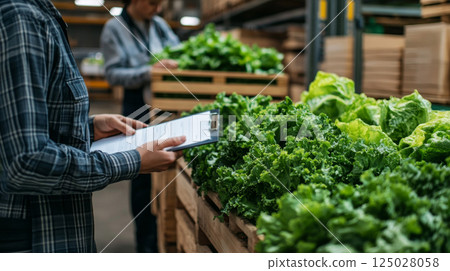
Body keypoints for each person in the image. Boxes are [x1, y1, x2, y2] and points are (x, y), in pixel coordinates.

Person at [0, 0, 185, 253]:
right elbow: (26, 160)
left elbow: (16, 125)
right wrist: (132, 162)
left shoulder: (38, 14)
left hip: (47, 227)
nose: (157, 7)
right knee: (143, 185)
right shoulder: (23, 19)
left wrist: (86, 129)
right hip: (36, 236)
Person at [100, 0, 180, 253]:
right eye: (152, 2)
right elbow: (113, 74)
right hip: (137, 106)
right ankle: (145, 247)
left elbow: (178, 52)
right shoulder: (114, 28)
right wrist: (150, 72)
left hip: (163, 104)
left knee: (164, 168)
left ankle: (158, 242)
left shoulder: (159, 25)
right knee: (141, 174)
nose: (157, 8)